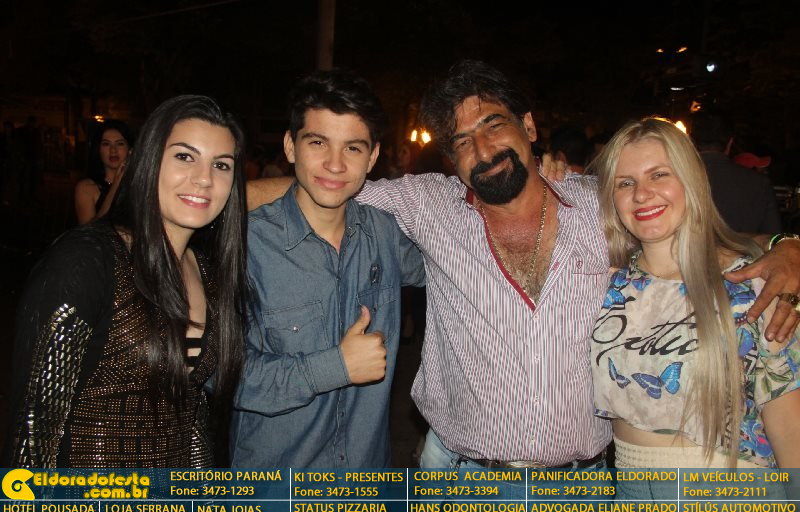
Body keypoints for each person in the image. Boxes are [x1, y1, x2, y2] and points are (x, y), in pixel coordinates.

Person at [246, 60, 800, 471]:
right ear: (451, 159)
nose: (483, 150)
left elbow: (688, 230)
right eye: (462, 141)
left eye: (494, 125)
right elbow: (326, 185)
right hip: (462, 479)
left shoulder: (600, 204)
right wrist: (208, 196)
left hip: (577, 488)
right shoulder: (428, 205)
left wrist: (785, 245)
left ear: (529, 127)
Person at [3, 95, 248, 468]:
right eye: (185, 156)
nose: (204, 178)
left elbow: (192, 412)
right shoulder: (87, 260)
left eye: (221, 164)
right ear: (149, 160)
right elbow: (33, 429)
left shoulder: (210, 272)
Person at [230, 70, 425, 469]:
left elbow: (465, 264)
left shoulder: (387, 237)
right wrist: (335, 367)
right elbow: (221, 375)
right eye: (318, 142)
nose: (335, 164)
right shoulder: (246, 245)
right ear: (290, 146)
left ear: (372, 157)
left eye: (352, 148)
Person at [591, 117, 800, 470]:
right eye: (625, 182)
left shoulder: (749, 286)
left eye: (659, 174)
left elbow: (791, 433)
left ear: (691, 180)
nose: (641, 194)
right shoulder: (606, 287)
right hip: (629, 497)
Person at [691, 111, 781, 234]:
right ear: (730, 142)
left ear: (692, 142)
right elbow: (773, 236)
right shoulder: (758, 183)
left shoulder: (676, 178)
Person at [74, 119, 134, 224]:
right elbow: (89, 231)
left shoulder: (138, 185)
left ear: (130, 149)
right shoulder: (86, 188)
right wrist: (116, 183)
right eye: (106, 144)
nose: (113, 150)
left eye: (120, 144)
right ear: (98, 149)